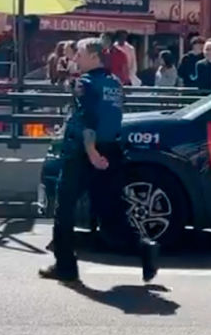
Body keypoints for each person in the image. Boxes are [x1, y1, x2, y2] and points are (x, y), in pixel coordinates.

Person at [40, 37, 157, 285]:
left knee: (65, 207)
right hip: (111, 150)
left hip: (84, 153)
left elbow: (87, 118)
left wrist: (91, 151)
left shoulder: (86, 83)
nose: (75, 59)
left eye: (80, 54)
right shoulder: (114, 82)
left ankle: (65, 267)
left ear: (93, 57)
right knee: (111, 211)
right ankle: (144, 247)